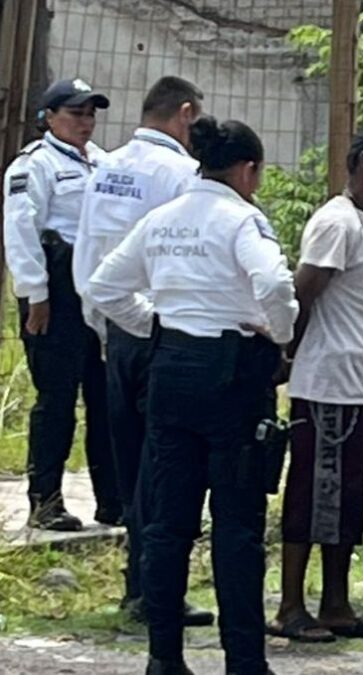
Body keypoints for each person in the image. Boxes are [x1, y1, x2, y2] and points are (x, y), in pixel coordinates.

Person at [87, 116, 297, 675]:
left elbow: (105, 286)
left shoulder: (162, 219)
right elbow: (275, 284)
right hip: (232, 379)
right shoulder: (243, 219)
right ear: (248, 170)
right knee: (237, 526)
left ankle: (164, 658)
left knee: (168, 524)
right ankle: (244, 662)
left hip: (171, 372)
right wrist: (279, 333)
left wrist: (155, 324)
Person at [73, 76, 213, 627]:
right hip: (163, 332)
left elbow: (89, 255)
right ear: (185, 114)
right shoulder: (182, 174)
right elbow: (189, 260)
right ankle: (157, 591)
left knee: (130, 460)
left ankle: (138, 585)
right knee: (168, 466)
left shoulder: (105, 168)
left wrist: (106, 327)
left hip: (116, 331)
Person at [267, 128, 363, 644]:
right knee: (311, 493)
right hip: (327, 382)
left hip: (357, 383)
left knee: (346, 499)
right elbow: (303, 293)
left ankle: (336, 604)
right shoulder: (336, 221)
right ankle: (289, 606)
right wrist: (286, 354)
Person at [1, 78, 120, 531]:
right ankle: (45, 501)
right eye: (75, 113)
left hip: (99, 291)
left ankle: (112, 500)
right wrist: (36, 295)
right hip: (56, 291)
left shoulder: (104, 163)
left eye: (90, 114)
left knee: (106, 398)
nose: (85, 122)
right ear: (49, 117)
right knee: (57, 399)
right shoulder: (34, 165)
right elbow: (22, 233)